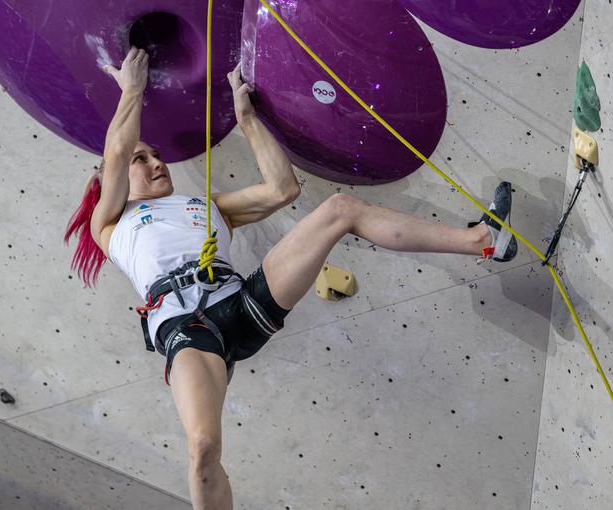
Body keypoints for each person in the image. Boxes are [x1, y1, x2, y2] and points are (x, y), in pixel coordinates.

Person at [65, 47, 517, 510]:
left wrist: (248, 120)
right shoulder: (112, 224)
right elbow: (117, 150)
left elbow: (283, 190)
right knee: (202, 448)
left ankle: (485, 240)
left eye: (156, 154)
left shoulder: (206, 205)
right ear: (111, 186)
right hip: (188, 331)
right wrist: (133, 89)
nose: (155, 161)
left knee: (341, 210)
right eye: (144, 159)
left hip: (240, 303)